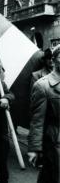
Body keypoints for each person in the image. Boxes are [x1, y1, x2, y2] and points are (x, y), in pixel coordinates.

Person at [27, 45, 60, 183]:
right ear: (54, 60)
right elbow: (37, 121)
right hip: (55, 140)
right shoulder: (43, 85)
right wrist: (35, 148)